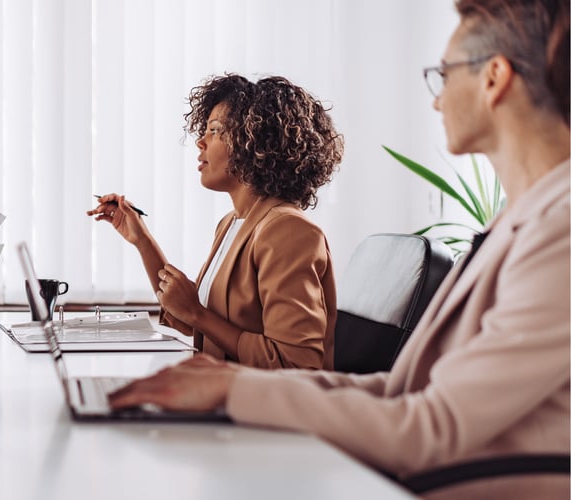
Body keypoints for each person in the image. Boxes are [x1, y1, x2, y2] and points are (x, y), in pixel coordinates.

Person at [110, 0, 570, 497]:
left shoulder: (558, 235)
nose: (436, 100)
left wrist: (232, 388)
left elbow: (431, 428)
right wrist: (227, 389)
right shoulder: (519, 222)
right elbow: (399, 393)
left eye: (444, 73)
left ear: (494, 78)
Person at [88, 74, 343, 369]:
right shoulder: (232, 224)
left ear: (254, 142)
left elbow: (296, 365)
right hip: (224, 393)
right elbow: (203, 326)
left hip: (261, 408)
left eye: (214, 130)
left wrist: (197, 313)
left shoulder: (288, 230)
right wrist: (142, 241)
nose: (200, 142)